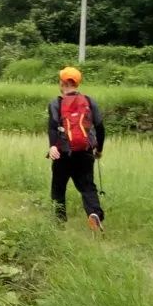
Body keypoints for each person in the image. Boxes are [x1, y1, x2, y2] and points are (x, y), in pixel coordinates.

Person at [48, 67, 106, 231]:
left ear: (63, 83)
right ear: (77, 83)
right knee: (87, 187)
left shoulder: (56, 103)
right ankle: (94, 214)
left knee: (58, 188)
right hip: (85, 152)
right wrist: (99, 149)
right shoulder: (89, 101)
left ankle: (59, 225)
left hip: (62, 153)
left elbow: (52, 127)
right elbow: (100, 128)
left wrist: (52, 146)